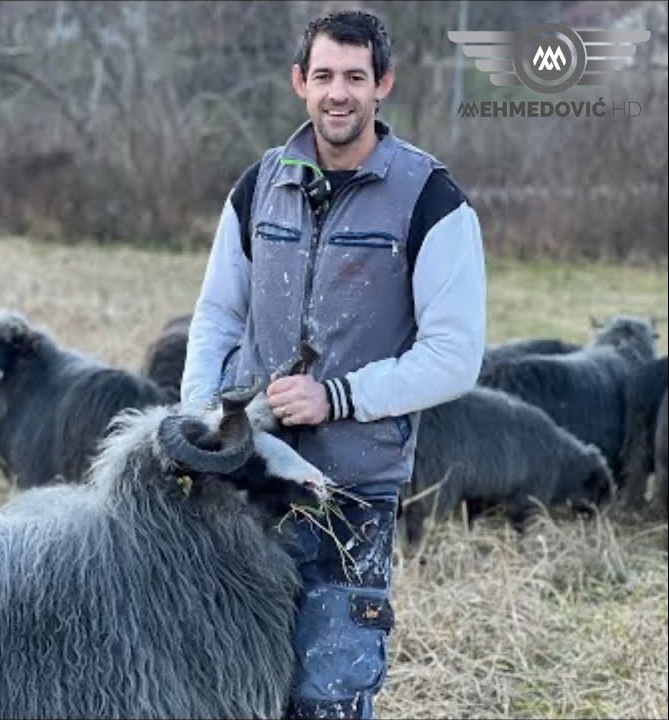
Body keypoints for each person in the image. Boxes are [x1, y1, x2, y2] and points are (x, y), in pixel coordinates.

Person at [180, 10, 486, 720]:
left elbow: (455, 356)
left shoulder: (432, 201)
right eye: (323, 76)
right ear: (299, 83)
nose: (337, 93)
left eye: (355, 76)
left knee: (329, 696)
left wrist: (339, 397)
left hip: (351, 497)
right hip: (246, 487)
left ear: (383, 84)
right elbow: (218, 314)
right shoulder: (259, 186)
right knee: (235, 691)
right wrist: (200, 420)